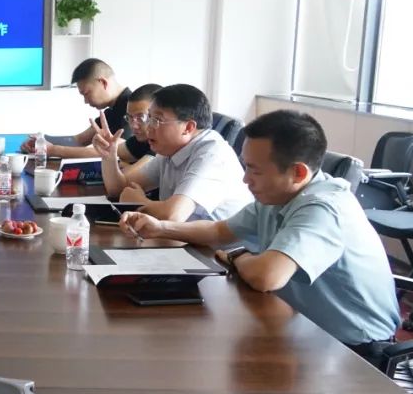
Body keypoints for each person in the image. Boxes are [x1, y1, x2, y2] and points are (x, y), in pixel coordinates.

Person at [119, 110, 401, 368]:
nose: (245, 180)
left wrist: (238, 256)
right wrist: (160, 228)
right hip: (302, 328)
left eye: (254, 170)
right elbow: (219, 231)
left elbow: (267, 276)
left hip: (354, 352)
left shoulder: (323, 208)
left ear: (298, 173)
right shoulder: (277, 195)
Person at [92, 83, 251, 221]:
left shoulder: (211, 155)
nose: (148, 127)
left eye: (156, 120)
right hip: (182, 240)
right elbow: (118, 189)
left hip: (223, 247)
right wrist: (109, 157)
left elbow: (173, 215)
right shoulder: (169, 150)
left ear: (188, 127)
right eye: (149, 118)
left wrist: (140, 202)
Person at [21, 58, 132, 158]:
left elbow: (117, 151)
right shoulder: (112, 111)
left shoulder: (132, 110)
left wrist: (53, 150)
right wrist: (40, 141)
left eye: (86, 93)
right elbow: (79, 140)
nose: (86, 101)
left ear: (103, 82)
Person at [117, 83, 162, 168]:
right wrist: (108, 146)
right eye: (129, 117)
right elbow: (110, 152)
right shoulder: (142, 139)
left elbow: (126, 176)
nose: (134, 126)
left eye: (141, 117)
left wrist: (123, 165)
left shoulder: (163, 144)